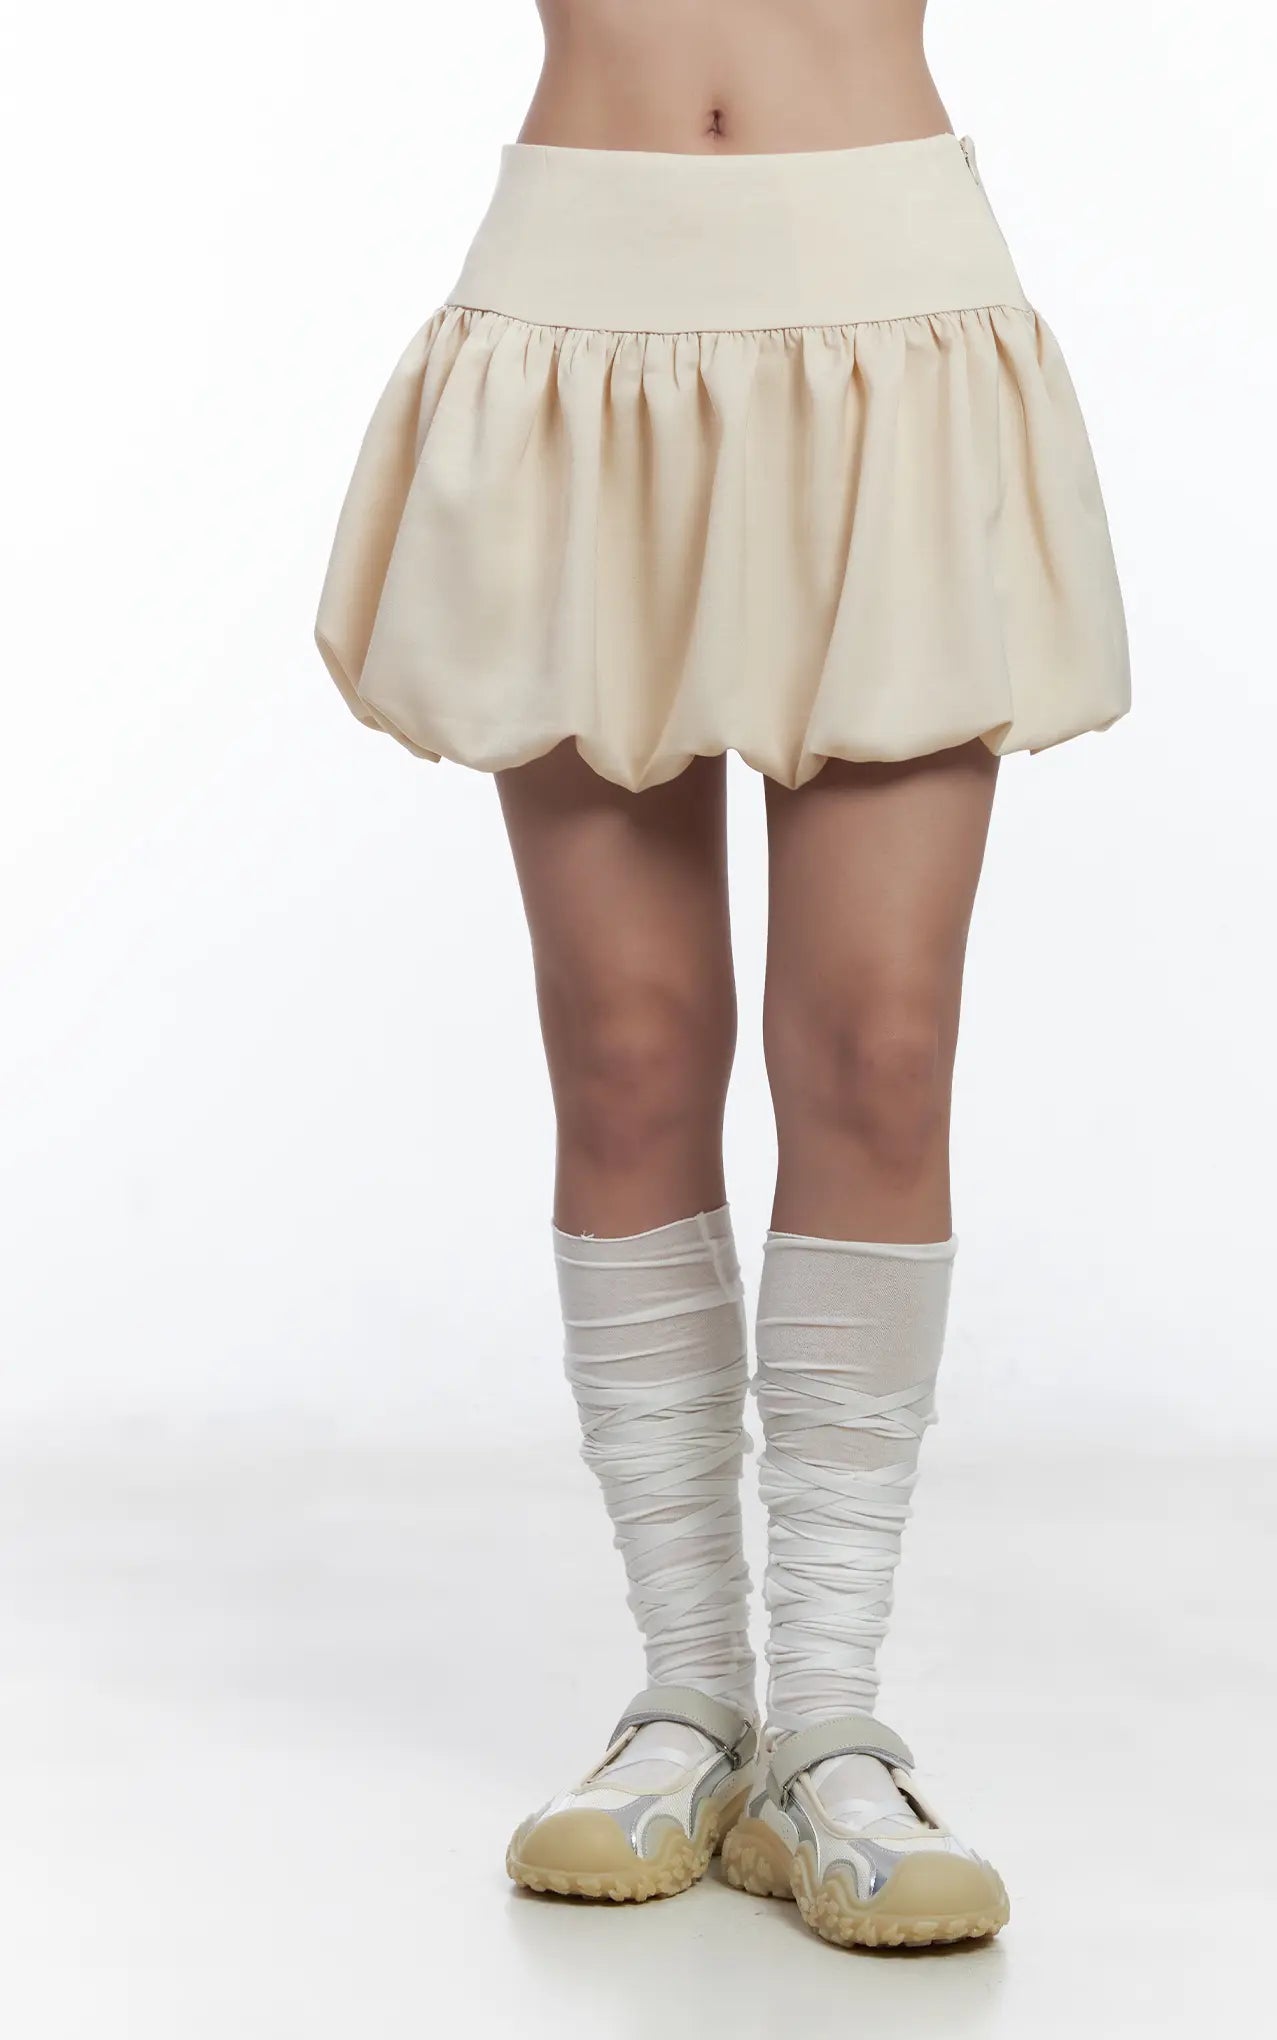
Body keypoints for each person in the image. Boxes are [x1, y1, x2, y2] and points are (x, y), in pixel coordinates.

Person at [315, 0, 1128, 1951]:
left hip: (885, 307)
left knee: (881, 1045)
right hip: (576, 308)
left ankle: (829, 1733)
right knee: (627, 1048)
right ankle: (687, 1701)